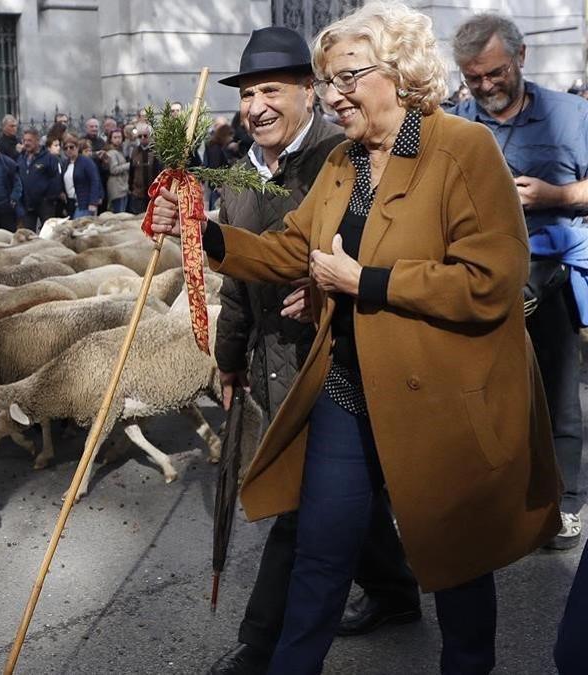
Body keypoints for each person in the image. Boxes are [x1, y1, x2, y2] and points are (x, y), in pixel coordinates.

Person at [150, 3, 561, 672]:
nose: (333, 95)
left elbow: (492, 279)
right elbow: (287, 248)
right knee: (320, 550)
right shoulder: (344, 162)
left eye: (346, 78)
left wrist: (366, 281)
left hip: (443, 400)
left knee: (457, 567)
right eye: (326, 80)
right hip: (348, 387)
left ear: (398, 73)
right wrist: (199, 232)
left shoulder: (464, 148)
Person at [205, 25, 419, 675]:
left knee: (300, 508)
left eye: (272, 89)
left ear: (308, 93)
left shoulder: (344, 153)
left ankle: (260, 646)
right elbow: (241, 275)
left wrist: (324, 278)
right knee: (341, 497)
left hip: (336, 358)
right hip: (272, 359)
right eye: (246, 94)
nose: (256, 106)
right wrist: (230, 356)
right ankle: (394, 589)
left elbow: (390, 247)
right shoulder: (241, 174)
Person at [450, 13, 588, 553]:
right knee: (477, 398)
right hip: (476, 281)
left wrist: (553, 197)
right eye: (473, 78)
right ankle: (490, 499)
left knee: (557, 396)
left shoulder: (573, 115)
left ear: (521, 57)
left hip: (549, 280)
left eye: (494, 73)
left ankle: (564, 504)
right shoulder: (457, 127)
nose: (485, 86)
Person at [18, 127, 62, 230]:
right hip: (28, 204)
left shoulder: (49, 158)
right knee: (28, 234)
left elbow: (56, 179)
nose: (26, 143)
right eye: (24, 140)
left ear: (37, 141)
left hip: (45, 204)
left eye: (29, 140)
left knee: (48, 232)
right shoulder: (21, 158)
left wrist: (49, 198)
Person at [126, 122, 162, 214]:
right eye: (140, 136)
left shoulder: (156, 151)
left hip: (154, 193)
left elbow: (161, 171)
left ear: (150, 136)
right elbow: (131, 171)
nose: (142, 138)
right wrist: (131, 188)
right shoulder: (135, 151)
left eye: (145, 136)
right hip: (138, 193)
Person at [64, 137, 103, 219]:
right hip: (71, 202)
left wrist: (93, 202)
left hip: (84, 202)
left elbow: (95, 181)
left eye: (71, 147)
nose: (69, 150)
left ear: (77, 148)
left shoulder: (86, 162)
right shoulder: (66, 163)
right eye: (65, 148)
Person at [102, 129, 130, 214]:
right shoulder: (111, 152)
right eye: (115, 137)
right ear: (110, 139)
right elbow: (113, 169)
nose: (118, 139)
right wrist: (129, 165)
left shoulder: (120, 151)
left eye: (119, 137)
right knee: (119, 214)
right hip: (116, 188)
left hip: (122, 186)